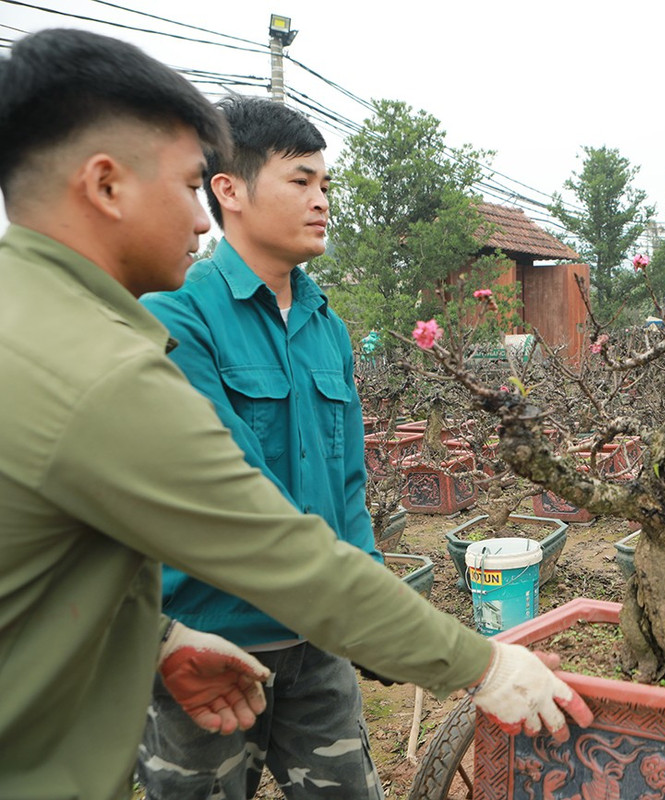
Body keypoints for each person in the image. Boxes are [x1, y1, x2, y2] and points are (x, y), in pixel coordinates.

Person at [0, 28, 590, 800]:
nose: (201, 220)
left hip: (305, 639)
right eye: (187, 186)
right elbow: (260, 531)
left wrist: (158, 639)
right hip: (237, 628)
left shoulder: (44, 328)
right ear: (107, 185)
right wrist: (483, 663)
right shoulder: (117, 357)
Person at [135, 97, 385, 798]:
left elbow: (349, 482)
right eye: (300, 181)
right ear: (229, 190)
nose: (322, 201)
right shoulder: (177, 313)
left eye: (326, 185)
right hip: (210, 649)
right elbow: (233, 487)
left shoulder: (324, 323)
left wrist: (367, 595)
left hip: (318, 642)